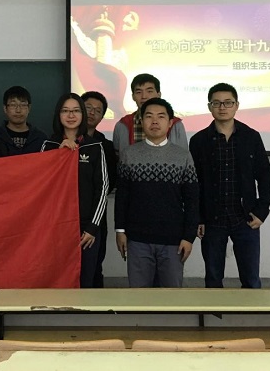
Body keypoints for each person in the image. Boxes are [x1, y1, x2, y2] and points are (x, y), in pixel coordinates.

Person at [189, 82, 270, 289]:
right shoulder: (199, 140)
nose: (222, 107)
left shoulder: (251, 137)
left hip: (245, 218)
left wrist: (262, 211)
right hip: (212, 219)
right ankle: (214, 311)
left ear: (236, 105)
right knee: (213, 279)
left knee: (251, 279)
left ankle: (250, 310)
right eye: (216, 103)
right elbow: (193, 183)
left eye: (228, 102)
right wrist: (198, 217)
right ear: (209, 107)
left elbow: (264, 175)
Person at [115, 98, 199, 288]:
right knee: (139, 295)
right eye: (149, 116)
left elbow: (192, 200)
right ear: (141, 121)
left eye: (161, 117)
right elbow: (122, 196)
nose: (154, 121)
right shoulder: (129, 154)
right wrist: (120, 231)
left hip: (173, 240)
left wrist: (189, 237)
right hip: (137, 239)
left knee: (171, 296)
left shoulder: (183, 156)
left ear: (170, 123)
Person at [42, 94, 109, 288]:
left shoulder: (95, 146)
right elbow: (41, 186)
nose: (71, 115)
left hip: (86, 230)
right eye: (65, 111)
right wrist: (59, 155)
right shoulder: (48, 146)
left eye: (76, 111)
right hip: (56, 227)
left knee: (85, 282)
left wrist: (92, 228)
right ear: (58, 115)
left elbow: (102, 188)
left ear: (82, 115)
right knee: (56, 281)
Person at [81, 91, 117, 288]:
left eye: (98, 110)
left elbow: (109, 182)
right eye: (88, 108)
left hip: (96, 218)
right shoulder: (57, 142)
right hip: (66, 218)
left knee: (94, 267)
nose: (92, 113)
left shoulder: (105, 146)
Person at [113, 73, 188, 154]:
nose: (144, 96)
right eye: (139, 92)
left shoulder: (175, 124)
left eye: (149, 91)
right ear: (133, 96)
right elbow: (118, 157)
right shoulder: (123, 125)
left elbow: (183, 156)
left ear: (159, 94)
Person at [0, 86, 47, 155]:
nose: (18, 110)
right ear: (5, 108)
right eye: (13, 105)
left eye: (23, 105)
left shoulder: (41, 138)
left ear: (29, 108)